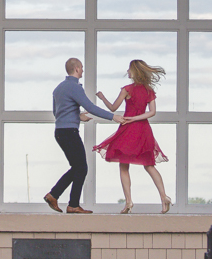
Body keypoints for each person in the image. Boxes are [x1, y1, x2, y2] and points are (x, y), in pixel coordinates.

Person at [94, 60, 173, 213]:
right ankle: (164, 197)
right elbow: (152, 112)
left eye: (129, 70)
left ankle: (129, 202)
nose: (127, 72)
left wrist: (102, 97)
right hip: (143, 130)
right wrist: (137, 118)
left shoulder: (127, 89)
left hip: (128, 130)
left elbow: (113, 108)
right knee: (149, 165)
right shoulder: (149, 90)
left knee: (123, 165)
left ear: (135, 72)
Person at [44, 58, 115, 214]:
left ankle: (55, 196)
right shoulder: (74, 87)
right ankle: (71, 204)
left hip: (60, 132)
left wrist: (77, 115)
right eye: (81, 68)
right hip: (70, 132)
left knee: (77, 167)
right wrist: (113, 117)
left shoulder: (58, 88)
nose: (82, 70)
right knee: (81, 167)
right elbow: (90, 107)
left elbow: (57, 113)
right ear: (76, 69)